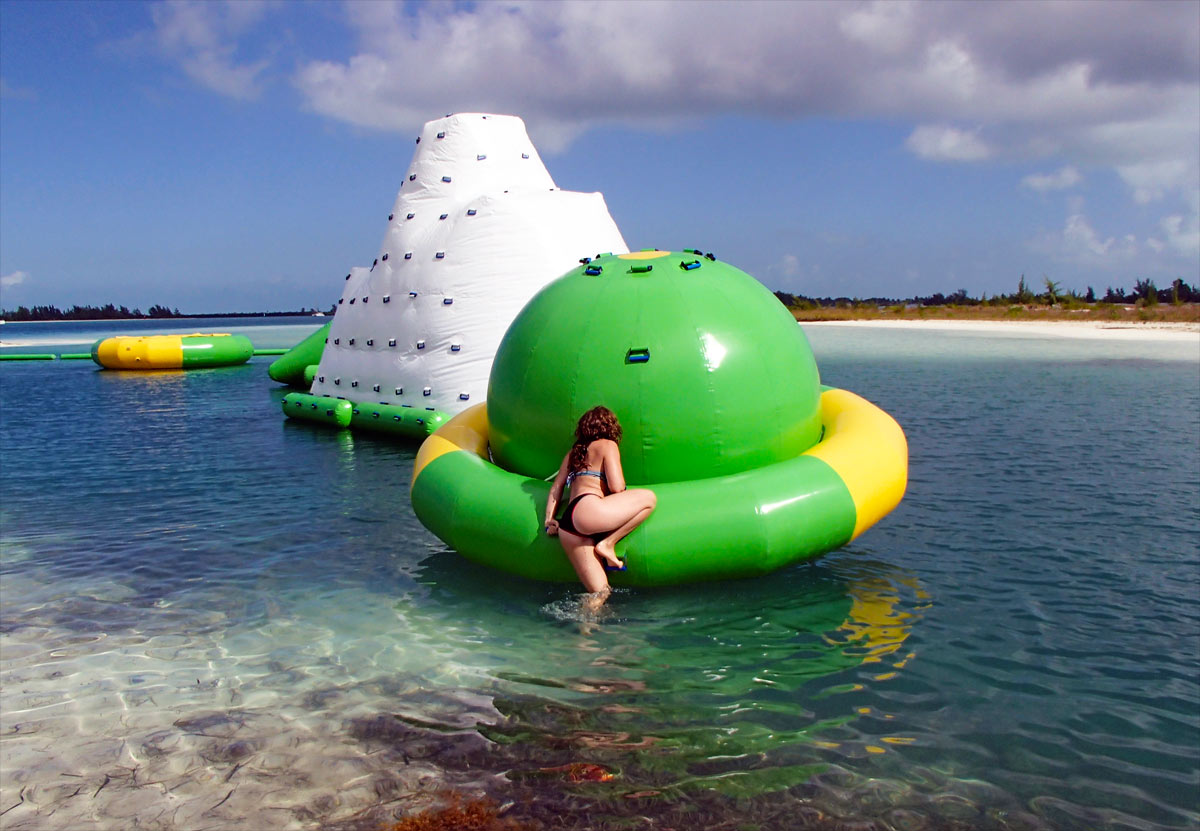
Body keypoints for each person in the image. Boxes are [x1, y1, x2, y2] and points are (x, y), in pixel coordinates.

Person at [544, 406, 656, 597]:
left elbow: (557, 487)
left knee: (599, 592)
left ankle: (583, 618)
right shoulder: (607, 445)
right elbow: (617, 487)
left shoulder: (573, 453)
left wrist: (549, 520)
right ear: (610, 427)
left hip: (568, 525)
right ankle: (607, 544)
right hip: (590, 509)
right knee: (649, 498)